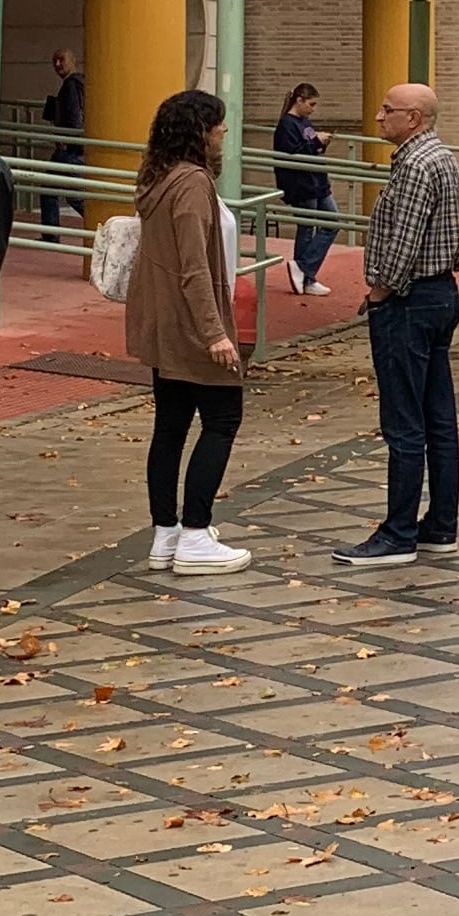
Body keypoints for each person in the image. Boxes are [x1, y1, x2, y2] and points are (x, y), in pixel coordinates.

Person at [123, 86, 250, 575]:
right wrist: (216, 334)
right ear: (200, 131)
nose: (223, 132)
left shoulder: (158, 178)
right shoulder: (193, 183)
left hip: (162, 323)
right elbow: (196, 266)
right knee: (222, 420)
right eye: (217, 124)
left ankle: (166, 534)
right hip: (191, 324)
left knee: (170, 429)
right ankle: (196, 533)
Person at [337, 80, 459, 567]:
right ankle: (440, 525)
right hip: (440, 294)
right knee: (438, 419)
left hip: (410, 302)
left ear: (414, 118)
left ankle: (398, 533)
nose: (378, 116)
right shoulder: (443, 157)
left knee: (404, 422)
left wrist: (379, 291)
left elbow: (403, 242)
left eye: (387, 109)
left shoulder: (414, 164)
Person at [272, 81, 336, 294]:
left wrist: (320, 143)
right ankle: (305, 273)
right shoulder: (287, 125)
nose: (313, 109)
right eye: (311, 104)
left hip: (316, 179)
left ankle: (304, 269)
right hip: (302, 183)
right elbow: (291, 154)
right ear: (299, 100)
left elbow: (308, 149)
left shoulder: (304, 122)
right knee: (309, 227)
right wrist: (316, 142)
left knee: (330, 222)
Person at [42, 45, 88, 229]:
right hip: (75, 146)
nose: (58, 64)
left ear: (73, 61)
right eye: (55, 61)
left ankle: (100, 222)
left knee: (74, 195)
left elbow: (74, 118)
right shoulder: (81, 83)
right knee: (52, 187)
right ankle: (50, 233)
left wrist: (67, 140)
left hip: (71, 148)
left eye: (62, 60)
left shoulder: (70, 86)